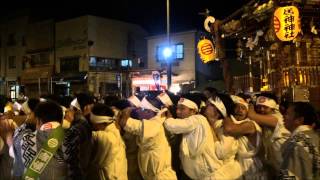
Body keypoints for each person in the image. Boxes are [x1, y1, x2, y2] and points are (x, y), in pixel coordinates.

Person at [164, 93, 226, 179]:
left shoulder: (198, 119)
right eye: (177, 108)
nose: (178, 111)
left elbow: (172, 126)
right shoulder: (191, 122)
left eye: (182, 109)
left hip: (210, 175)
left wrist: (168, 117)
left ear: (193, 111)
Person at [4, 100, 68, 179]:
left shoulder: (27, 139)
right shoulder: (68, 137)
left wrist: (9, 135)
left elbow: (14, 145)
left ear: (39, 121)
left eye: (30, 114)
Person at [118, 96, 177, 180]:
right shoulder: (159, 120)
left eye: (142, 109)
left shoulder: (154, 125)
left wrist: (125, 112)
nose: (138, 111)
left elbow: (125, 122)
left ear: (152, 111)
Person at [247, 93, 290, 178]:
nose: (261, 110)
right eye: (258, 107)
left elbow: (251, 116)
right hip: (277, 163)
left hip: (286, 164)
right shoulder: (267, 119)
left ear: (273, 108)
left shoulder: (276, 118)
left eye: (265, 107)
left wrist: (251, 105)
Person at [224, 95, 267, 179]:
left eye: (243, 108)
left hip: (252, 167)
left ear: (247, 112)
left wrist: (225, 115)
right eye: (236, 107)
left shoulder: (250, 125)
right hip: (240, 166)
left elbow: (229, 129)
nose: (239, 110)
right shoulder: (235, 123)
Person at [203, 93, 242, 180]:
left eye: (210, 104)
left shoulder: (222, 126)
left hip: (226, 173)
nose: (206, 105)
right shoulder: (212, 124)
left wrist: (211, 131)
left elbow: (222, 153)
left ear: (218, 111)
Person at [279, 102, 320, 179]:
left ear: (299, 120)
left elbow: (290, 176)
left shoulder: (296, 143)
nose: (283, 117)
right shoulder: (314, 136)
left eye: (287, 114)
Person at [87, 103, 128, 180]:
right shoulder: (115, 130)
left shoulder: (107, 137)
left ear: (102, 122)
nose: (93, 127)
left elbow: (84, 135)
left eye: (94, 124)